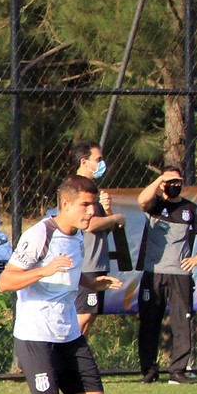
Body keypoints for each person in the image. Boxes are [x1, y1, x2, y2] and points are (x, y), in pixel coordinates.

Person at [0, 174, 121, 394]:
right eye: (85, 204)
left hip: (68, 332)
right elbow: (5, 281)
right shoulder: (40, 234)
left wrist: (94, 285)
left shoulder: (78, 235)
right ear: (65, 204)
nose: (91, 210)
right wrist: (43, 270)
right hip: (35, 335)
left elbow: (71, 271)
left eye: (93, 204)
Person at [134, 166, 197, 385]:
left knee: (182, 321)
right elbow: (142, 200)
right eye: (169, 182)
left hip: (179, 274)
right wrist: (160, 179)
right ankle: (149, 370)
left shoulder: (190, 208)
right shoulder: (154, 205)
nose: (174, 186)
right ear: (162, 184)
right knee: (149, 321)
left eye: (177, 182)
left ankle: (178, 371)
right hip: (154, 273)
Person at [68, 141, 127, 336]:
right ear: (84, 162)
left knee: (88, 316)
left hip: (97, 262)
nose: (102, 164)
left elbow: (104, 228)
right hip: (86, 264)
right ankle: (68, 359)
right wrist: (116, 217)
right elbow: (89, 224)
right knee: (82, 315)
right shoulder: (75, 188)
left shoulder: (93, 191)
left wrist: (108, 211)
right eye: (98, 159)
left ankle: (76, 362)